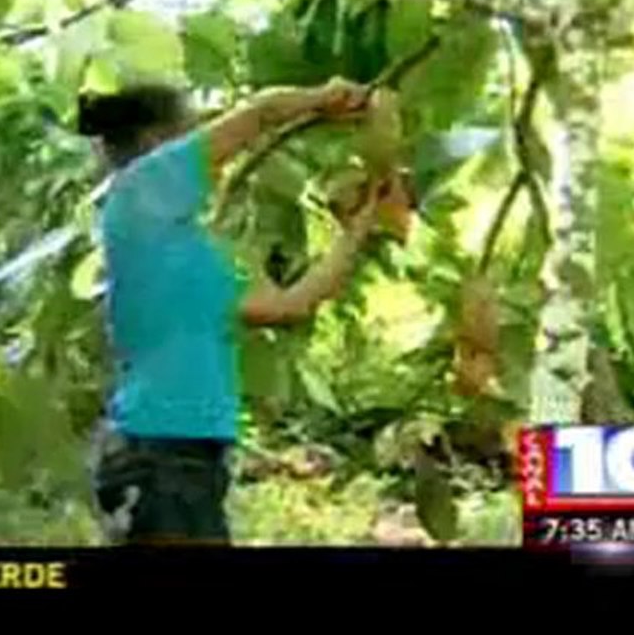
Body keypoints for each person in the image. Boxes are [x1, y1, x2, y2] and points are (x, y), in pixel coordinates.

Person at [78, 77, 398, 545]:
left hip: (187, 458)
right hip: (156, 450)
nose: (205, 146)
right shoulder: (138, 191)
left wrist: (358, 228)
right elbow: (260, 114)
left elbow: (292, 304)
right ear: (155, 142)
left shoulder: (186, 250)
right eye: (190, 133)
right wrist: (323, 97)